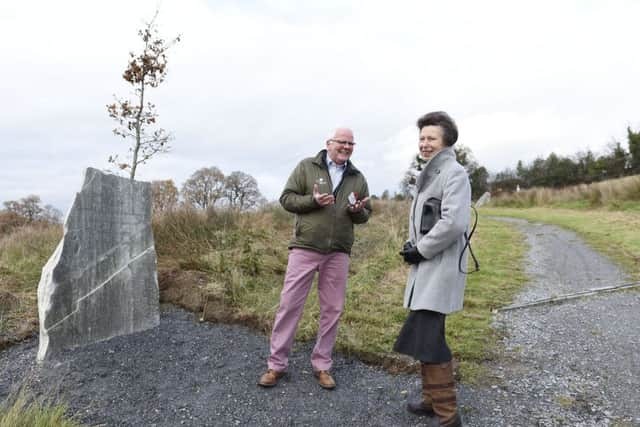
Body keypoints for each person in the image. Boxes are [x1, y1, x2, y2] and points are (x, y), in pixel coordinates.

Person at [258, 127, 371, 390]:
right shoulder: (307, 167)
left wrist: (357, 211)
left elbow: (365, 214)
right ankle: (276, 366)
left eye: (350, 143)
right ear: (329, 143)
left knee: (332, 310)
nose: (346, 147)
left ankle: (322, 365)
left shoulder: (357, 177)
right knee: (289, 306)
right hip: (305, 247)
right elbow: (286, 199)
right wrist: (313, 200)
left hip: (338, 252)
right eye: (341, 142)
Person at [395, 111, 470, 427]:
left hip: (438, 266)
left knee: (429, 336)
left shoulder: (453, 173)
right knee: (426, 333)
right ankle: (431, 399)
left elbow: (454, 222)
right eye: (422, 138)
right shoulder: (430, 172)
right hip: (428, 266)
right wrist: (414, 247)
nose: (424, 143)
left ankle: (447, 415)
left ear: (446, 141)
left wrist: (420, 250)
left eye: (431, 138)